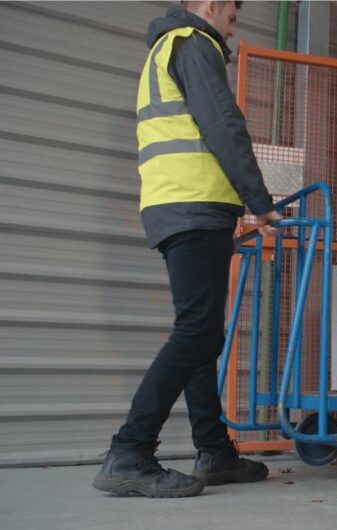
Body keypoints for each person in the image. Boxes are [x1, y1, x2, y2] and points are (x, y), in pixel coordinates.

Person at [93, 0, 282, 498]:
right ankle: (129, 451)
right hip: (193, 205)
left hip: (176, 205)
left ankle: (214, 450)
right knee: (197, 330)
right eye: (232, 18)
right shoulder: (194, 44)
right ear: (212, 5)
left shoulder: (166, 49)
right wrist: (259, 202)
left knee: (202, 333)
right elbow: (223, 123)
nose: (232, 30)